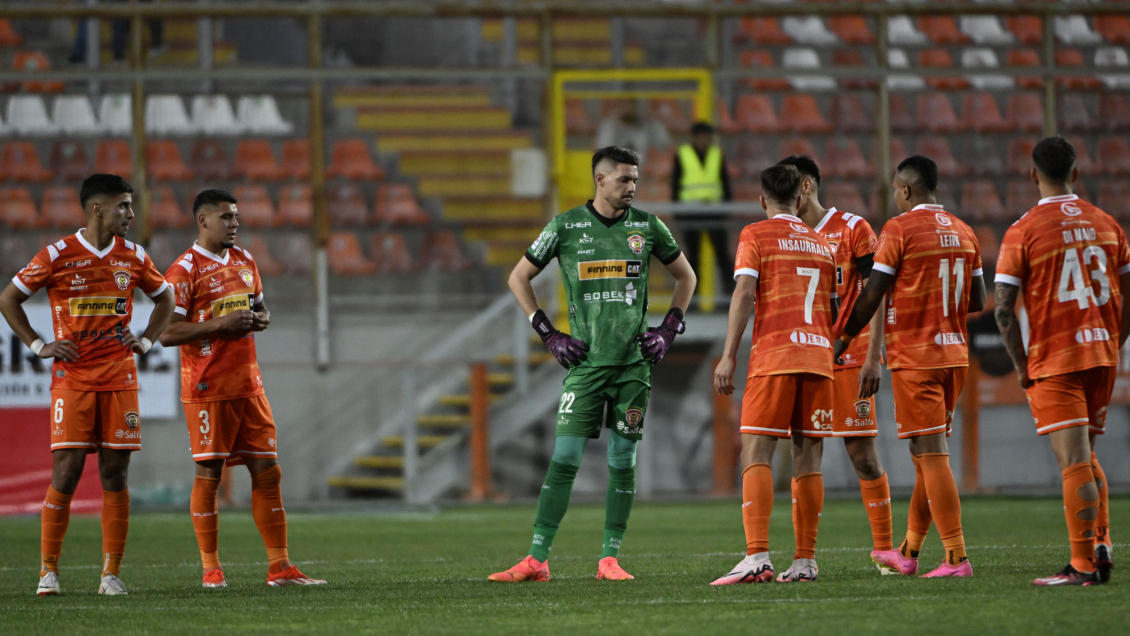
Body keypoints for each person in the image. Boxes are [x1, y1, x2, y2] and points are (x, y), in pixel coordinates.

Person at [489, 146, 696, 582]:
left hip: (633, 366)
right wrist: (547, 331)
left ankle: (609, 559)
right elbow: (518, 276)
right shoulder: (566, 227)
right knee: (564, 458)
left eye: (636, 179)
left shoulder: (648, 226)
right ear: (599, 180)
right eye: (624, 179)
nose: (633, 187)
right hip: (585, 365)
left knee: (623, 461)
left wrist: (669, 328)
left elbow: (687, 276)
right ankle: (537, 560)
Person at [0, 174, 175, 596]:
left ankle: (110, 574)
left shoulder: (134, 256)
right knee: (68, 470)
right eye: (124, 206)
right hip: (73, 380)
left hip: (120, 378)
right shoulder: (58, 255)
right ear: (98, 208)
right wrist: (40, 345)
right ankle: (48, 572)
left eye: (131, 207)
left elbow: (166, 298)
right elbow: (8, 299)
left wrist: (147, 340)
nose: (131, 215)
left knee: (115, 474)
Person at [159, 189, 325, 589]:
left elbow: (259, 306)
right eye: (226, 217)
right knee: (209, 474)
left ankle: (280, 567)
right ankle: (211, 568)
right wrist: (220, 325)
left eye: (236, 217)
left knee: (268, 471)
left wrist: (260, 318)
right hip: (207, 388)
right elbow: (166, 332)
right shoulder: (183, 270)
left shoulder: (246, 261)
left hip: (250, 386)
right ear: (203, 221)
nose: (235, 223)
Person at [833, 156, 986, 578]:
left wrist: (843, 340)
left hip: (917, 358)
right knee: (925, 454)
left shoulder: (898, 229)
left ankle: (956, 557)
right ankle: (910, 549)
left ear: (904, 190)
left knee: (932, 455)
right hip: (955, 356)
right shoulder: (964, 231)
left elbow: (871, 296)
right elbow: (977, 301)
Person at [993, 137, 1129, 586]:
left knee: (1073, 461)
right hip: (1103, 354)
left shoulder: (1024, 229)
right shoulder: (1108, 224)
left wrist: (1022, 365)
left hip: (1057, 358)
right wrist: (1114, 339)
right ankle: (1102, 541)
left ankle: (1083, 565)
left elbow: (1002, 307)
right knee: (1087, 454)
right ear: (1076, 172)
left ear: (1033, 174)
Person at [711, 164, 837, 584]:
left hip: (776, 356)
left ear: (762, 199)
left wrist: (729, 355)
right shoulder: (823, 243)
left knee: (757, 450)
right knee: (808, 458)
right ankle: (805, 561)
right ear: (800, 199)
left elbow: (745, 292)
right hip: (820, 358)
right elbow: (832, 309)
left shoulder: (755, 235)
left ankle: (757, 556)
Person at [776, 155, 898, 573]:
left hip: (850, 358)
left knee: (862, 455)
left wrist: (873, 356)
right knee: (804, 456)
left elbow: (876, 293)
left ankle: (885, 550)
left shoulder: (852, 228)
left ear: (806, 186)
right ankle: (804, 558)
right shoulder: (783, 235)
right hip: (806, 359)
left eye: (790, 187)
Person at [671, 121, 736, 295]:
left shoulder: (716, 154)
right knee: (693, 257)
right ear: (694, 137)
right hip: (690, 212)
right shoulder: (683, 154)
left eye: (707, 136)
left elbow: (725, 181)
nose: (704, 140)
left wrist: (726, 208)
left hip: (714, 211)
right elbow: (675, 184)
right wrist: (677, 211)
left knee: (722, 255)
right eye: (701, 136)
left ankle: (729, 298)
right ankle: (692, 299)